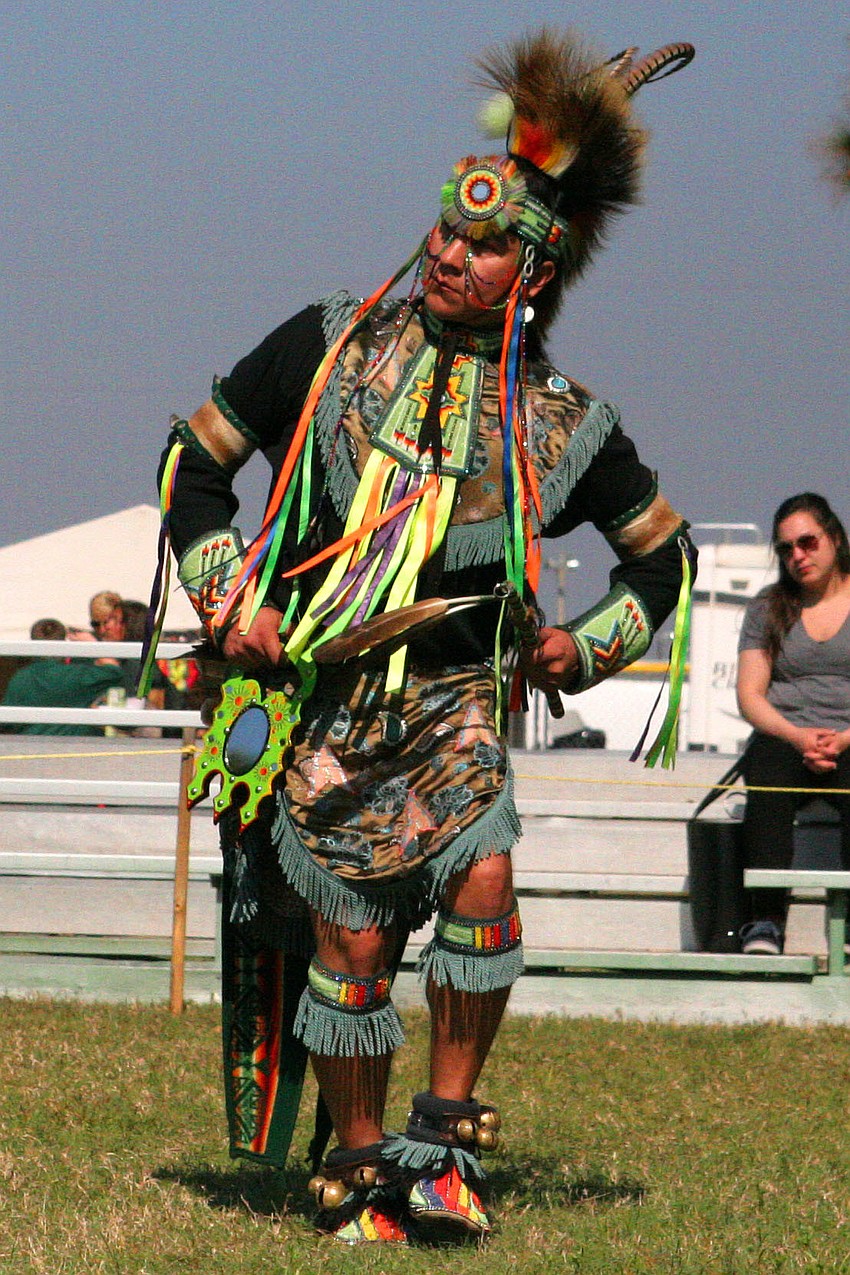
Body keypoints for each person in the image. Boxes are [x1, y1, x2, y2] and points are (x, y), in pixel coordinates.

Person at [151, 31, 696, 1244]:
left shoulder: (560, 425)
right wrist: (218, 581)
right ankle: (355, 1171)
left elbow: (665, 561)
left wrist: (582, 650)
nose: (451, 253)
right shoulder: (328, 349)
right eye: (448, 229)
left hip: (456, 710)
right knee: (347, 938)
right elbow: (195, 462)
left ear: (534, 272)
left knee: (486, 880)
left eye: (484, 243)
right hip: (327, 710)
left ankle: (444, 1148)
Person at [737, 493, 850, 955]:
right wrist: (799, 736)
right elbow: (750, 694)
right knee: (765, 771)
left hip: (849, 737)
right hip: (786, 736)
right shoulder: (767, 608)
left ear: (835, 539)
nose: (797, 556)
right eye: (786, 549)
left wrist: (841, 740)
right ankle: (763, 922)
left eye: (807, 542)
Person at [2, 618, 125, 735]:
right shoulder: (77, 675)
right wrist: (91, 643)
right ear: (64, 643)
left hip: (28, 748)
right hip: (73, 749)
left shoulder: (21, 678)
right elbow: (114, 670)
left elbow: (7, 722)